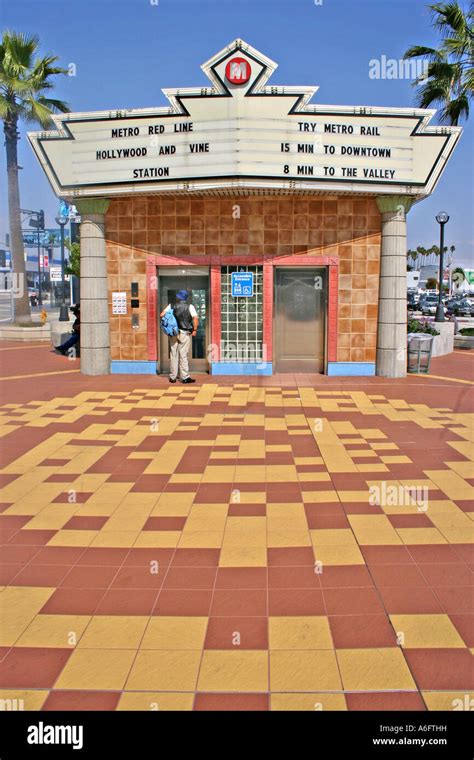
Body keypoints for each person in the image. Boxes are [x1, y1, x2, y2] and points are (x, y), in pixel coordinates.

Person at [160, 290, 198, 383]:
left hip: (173, 333)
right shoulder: (190, 307)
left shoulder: (171, 305)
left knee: (173, 354)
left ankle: (173, 377)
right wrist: (195, 330)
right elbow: (195, 318)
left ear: (178, 297)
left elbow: (162, 315)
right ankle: (184, 377)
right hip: (185, 333)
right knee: (183, 355)